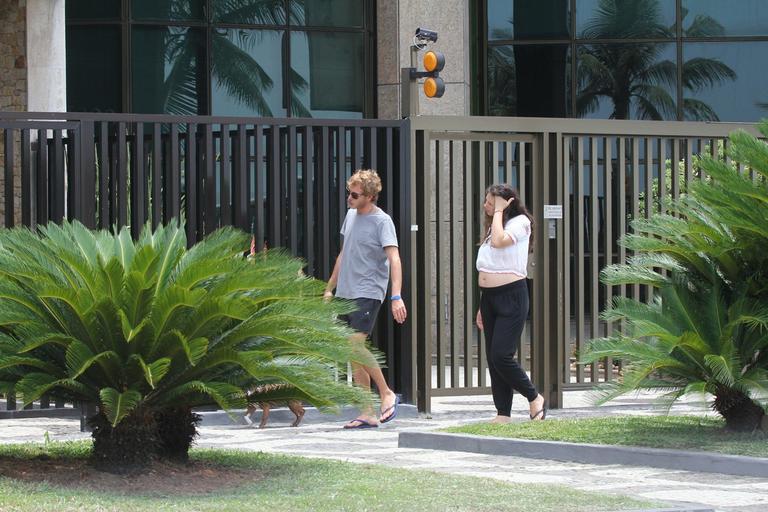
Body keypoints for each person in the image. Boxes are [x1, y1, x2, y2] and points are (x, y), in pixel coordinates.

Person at [324, 169, 407, 429]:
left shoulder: (382, 222)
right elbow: (344, 254)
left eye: (355, 194)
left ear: (370, 196)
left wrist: (396, 296)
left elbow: (394, 259)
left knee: (355, 346)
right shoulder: (350, 215)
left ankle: (386, 393)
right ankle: (367, 411)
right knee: (353, 353)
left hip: (368, 291)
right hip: (346, 292)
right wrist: (330, 288)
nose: (349, 197)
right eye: (349, 192)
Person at [475, 184, 546, 423]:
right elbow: (489, 264)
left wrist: (497, 212)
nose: (486, 205)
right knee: (492, 359)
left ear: (506, 204)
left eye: (491, 202)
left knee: (501, 355)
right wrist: (481, 306)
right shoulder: (494, 226)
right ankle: (502, 412)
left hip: (512, 297)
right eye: (487, 201)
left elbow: (499, 242)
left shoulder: (520, 223)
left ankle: (534, 396)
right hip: (490, 298)